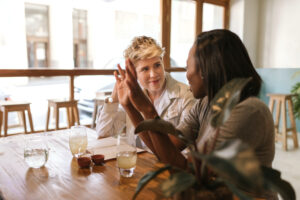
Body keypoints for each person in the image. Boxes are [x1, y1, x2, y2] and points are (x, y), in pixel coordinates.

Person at [114, 30, 276, 198]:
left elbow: (189, 171)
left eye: (188, 67)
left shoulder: (248, 111)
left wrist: (148, 111)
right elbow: (164, 150)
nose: (187, 75)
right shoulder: (204, 104)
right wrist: (130, 107)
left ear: (207, 70)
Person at [96, 36, 195, 148]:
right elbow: (103, 134)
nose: (153, 74)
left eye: (157, 65)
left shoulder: (186, 95)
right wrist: (114, 99)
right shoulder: (133, 95)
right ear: (133, 73)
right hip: (138, 163)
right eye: (145, 69)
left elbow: (187, 149)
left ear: (162, 63)